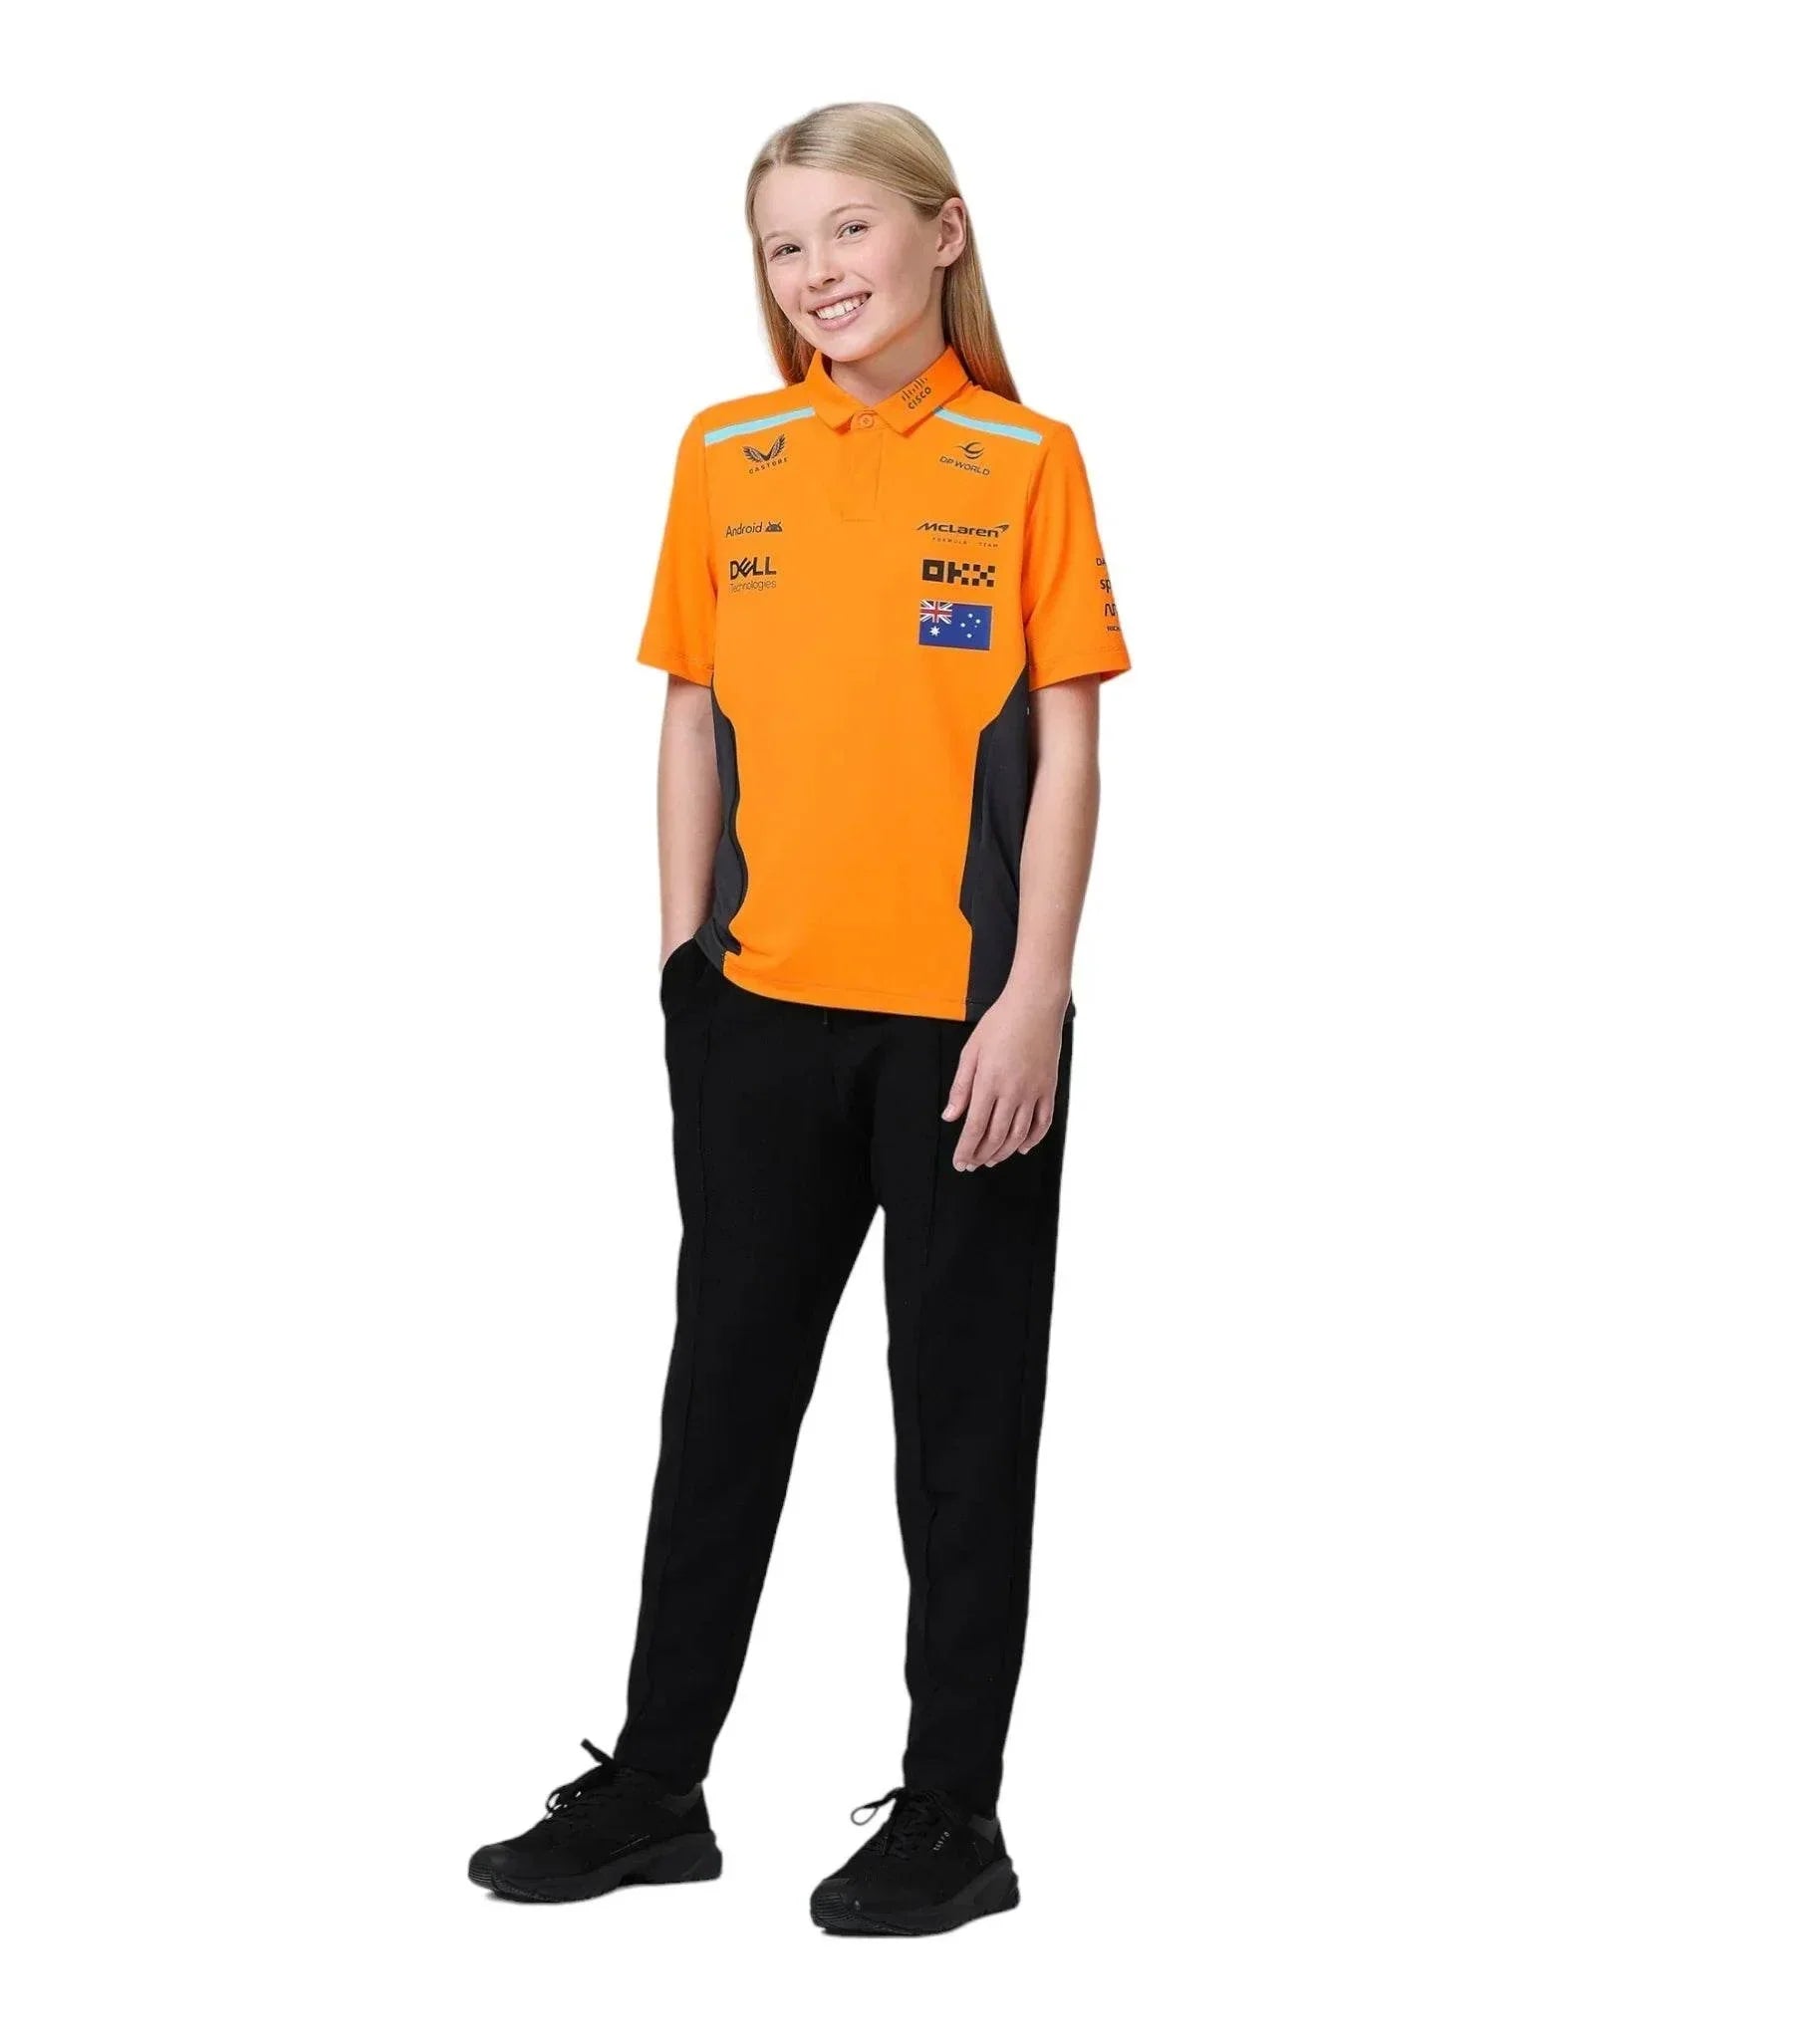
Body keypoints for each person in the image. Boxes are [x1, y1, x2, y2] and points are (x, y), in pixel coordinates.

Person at [469, 101, 1131, 1937]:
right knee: (723, 1404)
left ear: (941, 233)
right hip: (757, 1017)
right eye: (784, 245)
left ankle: (954, 1820)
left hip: (964, 1034)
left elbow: (1071, 745)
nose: (818, 273)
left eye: (850, 230)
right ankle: (655, 1787)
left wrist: (1036, 997)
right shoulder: (725, 451)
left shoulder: (1028, 461)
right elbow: (690, 710)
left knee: (962, 1429)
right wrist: (683, 965)